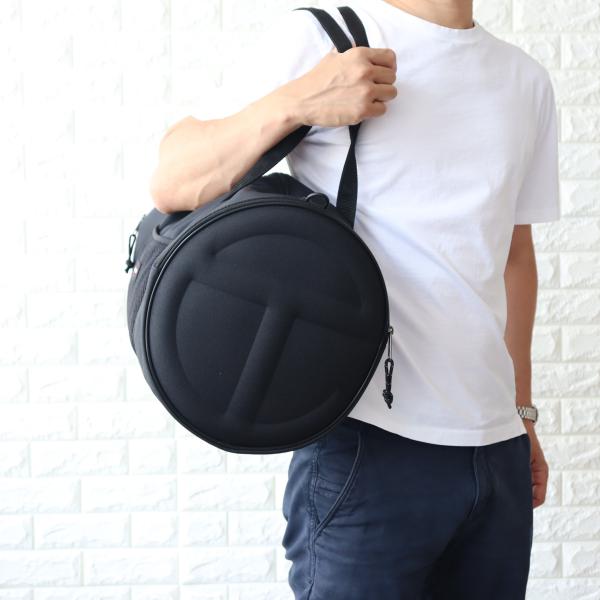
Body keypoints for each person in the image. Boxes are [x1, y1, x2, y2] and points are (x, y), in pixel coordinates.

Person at [150, 0, 559, 597]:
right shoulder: (327, 38)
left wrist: (521, 414)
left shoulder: (526, 80)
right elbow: (172, 179)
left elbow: (514, 255)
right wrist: (299, 102)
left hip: (496, 454)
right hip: (368, 448)